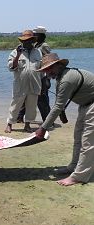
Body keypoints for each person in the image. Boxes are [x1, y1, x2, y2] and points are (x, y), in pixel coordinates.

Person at [35, 53, 94, 186]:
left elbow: (57, 107)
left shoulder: (66, 80)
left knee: (88, 142)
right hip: (85, 105)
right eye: (45, 70)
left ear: (59, 65)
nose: (47, 72)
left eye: (50, 68)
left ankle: (79, 176)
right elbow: (59, 104)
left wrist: (43, 128)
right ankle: (73, 167)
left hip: (92, 105)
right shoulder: (61, 77)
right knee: (78, 138)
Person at [5, 30, 42, 133]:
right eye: (25, 41)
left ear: (32, 41)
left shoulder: (37, 52)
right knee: (15, 105)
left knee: (32, 106)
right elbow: (11, 67)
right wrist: (18, 55)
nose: (27, 43)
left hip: (34, 84)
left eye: (29, 40)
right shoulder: (15, 52)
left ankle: (27, 125)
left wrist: (45, 80)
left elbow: (41, 67)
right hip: (20, 84)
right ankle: (9, 124)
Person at [17, 25, 52, 123]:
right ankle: (20, 117)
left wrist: (47, 78)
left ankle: (48, 120)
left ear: (40, 35)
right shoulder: (36, 46)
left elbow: (49, 61)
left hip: (42, 76)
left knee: (42, 99)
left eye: (36, 35)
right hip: (33, 76)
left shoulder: (44, 46)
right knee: (27, 96)